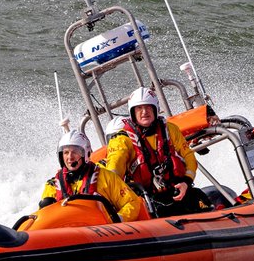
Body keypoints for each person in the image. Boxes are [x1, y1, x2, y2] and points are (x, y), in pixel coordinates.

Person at [104, 87, 210, 216]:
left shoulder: (170, 129)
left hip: (178, 190)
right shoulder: (121, 140)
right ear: (132, 112)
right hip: (148, 200)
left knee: (201, 201)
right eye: (139, 108)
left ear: (155, 109)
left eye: (148, 107)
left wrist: (186, 182)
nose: (144, 112)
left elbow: (188, 156)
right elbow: (114, 170)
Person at [39, 130, 143, 222]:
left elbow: (132, 202)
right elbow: (44, 218)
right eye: (66, 152)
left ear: (86, 154)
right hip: (67, 232)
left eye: (75, 152)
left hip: (101, 231)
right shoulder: (52, 186)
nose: (70, 157)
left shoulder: (106, 177)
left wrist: (119, 218)